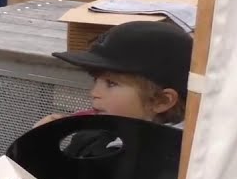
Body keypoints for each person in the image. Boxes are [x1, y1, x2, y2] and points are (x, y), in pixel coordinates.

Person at [37, 21, 193, 156]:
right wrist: (41, 143)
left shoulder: (163, 164)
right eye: (96, 80)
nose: (94, 93)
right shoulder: (93, 136)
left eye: (111, 83)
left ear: (161, 101)